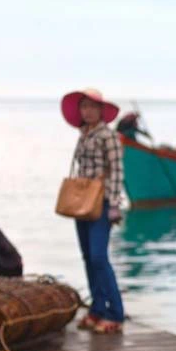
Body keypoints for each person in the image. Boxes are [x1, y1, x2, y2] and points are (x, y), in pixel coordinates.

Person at [60, 88, 125, 334]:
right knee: (88, 256)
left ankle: (115, 313)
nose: (87, 111)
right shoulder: (84, 135)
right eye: (84, 107)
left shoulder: (108, 136)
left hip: (103, 202)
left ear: (101, 110)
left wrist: (115, 204)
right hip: (83, 201)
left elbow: (117, 171)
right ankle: (97, 309)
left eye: (92, 107)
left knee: (99, 257)